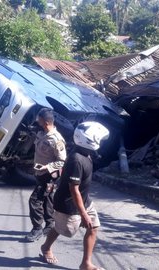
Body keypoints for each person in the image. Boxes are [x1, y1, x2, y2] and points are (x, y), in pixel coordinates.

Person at [40, 121, 110, 270]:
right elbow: (74, 189)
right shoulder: (76, 160)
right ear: (90, 140)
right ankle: (46, 247)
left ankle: (86, 264)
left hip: (84, 200)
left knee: (93, 227)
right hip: (68, 203)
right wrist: (83, 214)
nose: (101, 142)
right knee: (63, 230)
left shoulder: (86, 154)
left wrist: (85, 210)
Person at [25, 108, 67, 242]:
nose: (37, 121)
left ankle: (37, 229)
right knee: (48, 198)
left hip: (48, 176)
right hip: (39, 173)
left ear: (46, 122)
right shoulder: (41, 133)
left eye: (40, 119)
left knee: (35, 201)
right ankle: (49, 225)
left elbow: (62, 161)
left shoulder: (56, 140)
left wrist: (47, 167)